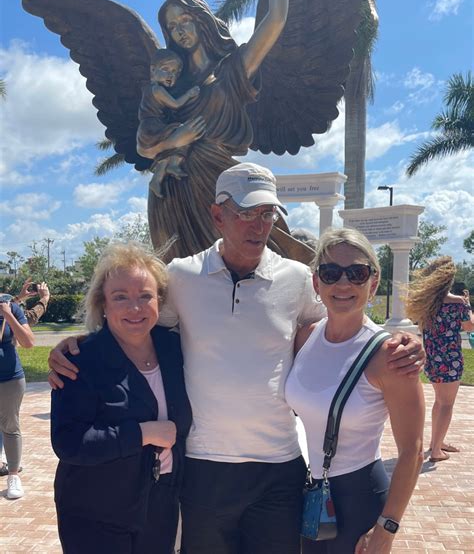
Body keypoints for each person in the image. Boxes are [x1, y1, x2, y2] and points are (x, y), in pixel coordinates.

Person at [49, 164, 425, 554]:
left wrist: (397, 340)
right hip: (204, 468)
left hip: (279, 469)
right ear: (217, 216)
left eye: (267, 214)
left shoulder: (297, 278)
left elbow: (341, 322)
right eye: (245, 213)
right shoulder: (181, 276)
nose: (258, 225)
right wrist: (83, 343)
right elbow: (138, 324)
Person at [138, 0, 308, 261]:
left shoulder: (231, 71)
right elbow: (145, 145)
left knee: (254, 261)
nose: (180, 30)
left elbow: (276, 19)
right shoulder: (171, 84)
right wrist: (175, 139)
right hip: (172, 189)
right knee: (179, 274)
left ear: (201, 19)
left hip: (219, 182)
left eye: (185, 20)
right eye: (172, 26)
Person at [286, 228, 425, 553]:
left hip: (360, 498)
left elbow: (413, 451)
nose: (343, 283)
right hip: (310, 493)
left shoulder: (390, 357)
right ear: (316, 283)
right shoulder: (305, 337)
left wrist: (387, 528)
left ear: (373, 283)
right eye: (331, 273)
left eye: (357, 273)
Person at [50, 242, 192, 554]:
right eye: (120, 297)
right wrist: (142, 433)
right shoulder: (79, 361)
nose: (135, 308)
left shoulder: (176, 349)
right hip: (95, 514)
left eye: (145, 296)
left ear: (159, 301)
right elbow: (68, 442)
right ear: (103, 303)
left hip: (159, 507)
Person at [405, 257, 474, 462]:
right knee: (446, 404)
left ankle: (437, 441)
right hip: (451, 358)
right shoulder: (458, 302)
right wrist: (468, 306)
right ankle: (436, 450)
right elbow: (469, 327)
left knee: (440, 402)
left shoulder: (426, 302)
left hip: (432, 357)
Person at [137, 48, 203, 198]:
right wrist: (190, 94)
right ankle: (174, 164)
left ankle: (156, 180)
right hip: (152, 127)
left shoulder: (147, 89)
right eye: (166, 69)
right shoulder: (157, 90)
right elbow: (176, 104)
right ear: (152, 70)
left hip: (147, 128)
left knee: (165, 153)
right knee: (185, 134)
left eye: (174, 72)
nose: (170, 75)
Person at [0, 292, 35, 499]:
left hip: (9, 379)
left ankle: (13, 476)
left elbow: (28, 342)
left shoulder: (10, 306)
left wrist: (8, 315)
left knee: (10, 425)